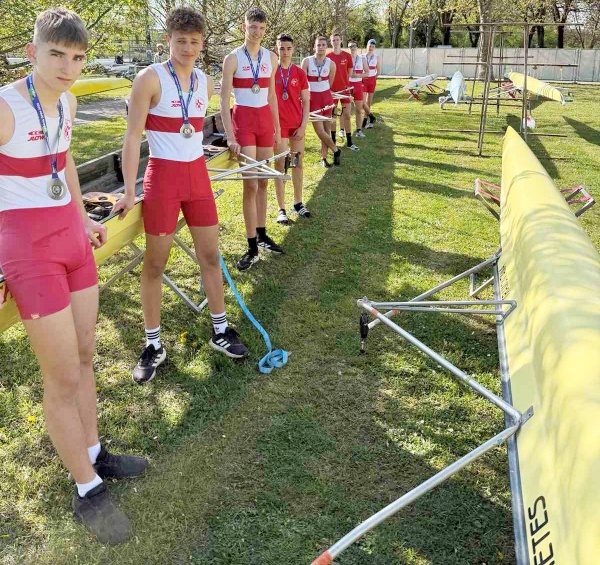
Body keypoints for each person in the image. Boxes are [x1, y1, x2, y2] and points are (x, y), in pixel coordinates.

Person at [0, 8, 147, 545]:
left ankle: (93, 452)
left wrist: (82, 217)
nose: (67, 67)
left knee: (86, 355)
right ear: (32, 52)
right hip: (28, 250)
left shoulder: (69, 100)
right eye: (57, 54)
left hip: (70, 239)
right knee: (61, 377)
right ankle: (86, 490)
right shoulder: (6, 106)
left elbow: (61, 161)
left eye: (78, 57)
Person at [113, 7, 249, 384]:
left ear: (202, 43)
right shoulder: (149, 78)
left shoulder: (206, 81)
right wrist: (128, 191)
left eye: (194, 42)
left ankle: (220, 330)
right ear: (167, 40)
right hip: (163, 178)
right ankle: (153, 344)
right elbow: (132, 138)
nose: (187, 48)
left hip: (196, 177)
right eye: (180, 41)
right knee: (155, 264)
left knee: (210, 256)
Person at [220, 8, 283, 271]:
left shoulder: (272, 57)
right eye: (253, 27)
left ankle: (262, 233)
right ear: (243, 27)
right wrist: (230, 135)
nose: (257, 32)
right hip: (243, 121)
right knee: (250, 184)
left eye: (261, 28)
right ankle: (251, 247)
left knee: (264, 181)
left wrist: (277, 128)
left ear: (265, 30)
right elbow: (223, 99)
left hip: (264, 122)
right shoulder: (232, 59)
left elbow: (271, 96)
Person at [273, 33, 311, 226]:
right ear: (276, 49)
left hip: (296, 127)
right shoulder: (272, 71)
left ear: (293, 49)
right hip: (279, 127)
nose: (285, 52)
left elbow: (306, 102)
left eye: (288, 48)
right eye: (282, 48)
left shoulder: (299, 73)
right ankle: (281, 209)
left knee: (297, 163)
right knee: (280, 165)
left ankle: (298, 202)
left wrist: (303, 126)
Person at [302, 36, 341, 169]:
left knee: (326, 130)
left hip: (326, 98)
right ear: (314, 47)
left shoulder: (331, 64)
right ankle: (336, 150)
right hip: (313, 99)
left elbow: (330, 82)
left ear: (326, 47)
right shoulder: (306, 61)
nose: (321, 47)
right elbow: (303, 83)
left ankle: (324, 158)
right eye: (318, 45)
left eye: (323, 45)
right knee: (319, 131)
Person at [326, 32, 358, 151]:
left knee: (347, 115)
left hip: (345, 90)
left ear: (340, 41)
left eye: (337, 40)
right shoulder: (328, 57)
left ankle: (349, 142)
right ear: (331, 42)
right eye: (333, 40)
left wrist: (344, 83)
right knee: (333, 116)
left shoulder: (347, 56)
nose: (335, 42)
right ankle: (333, 141)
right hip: (332, 91)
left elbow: (349, 72)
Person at [348, 42, 368, 139]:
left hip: (358, 85)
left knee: (359, 109)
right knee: (346, 110)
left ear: (357, 48)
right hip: (348, 85)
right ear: (348, 48)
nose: (352, 48)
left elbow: (367, 73)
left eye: (354, 46)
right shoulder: (346, 59)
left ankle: (359, 130)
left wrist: (358, 75)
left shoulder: (362, 59)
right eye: (350, 46)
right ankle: (343, 130)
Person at [362, 38, 381, 129]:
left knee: (368, 101)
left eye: (373, 47)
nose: (371, 48)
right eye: (370, 46)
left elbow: (378, 71)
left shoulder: (377, 57)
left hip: (372, 80)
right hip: (363, 80)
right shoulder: (361, 56)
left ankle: (365, 119)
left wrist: (373, 77)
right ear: (367, 46)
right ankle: (371, 117)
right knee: (362, 101)